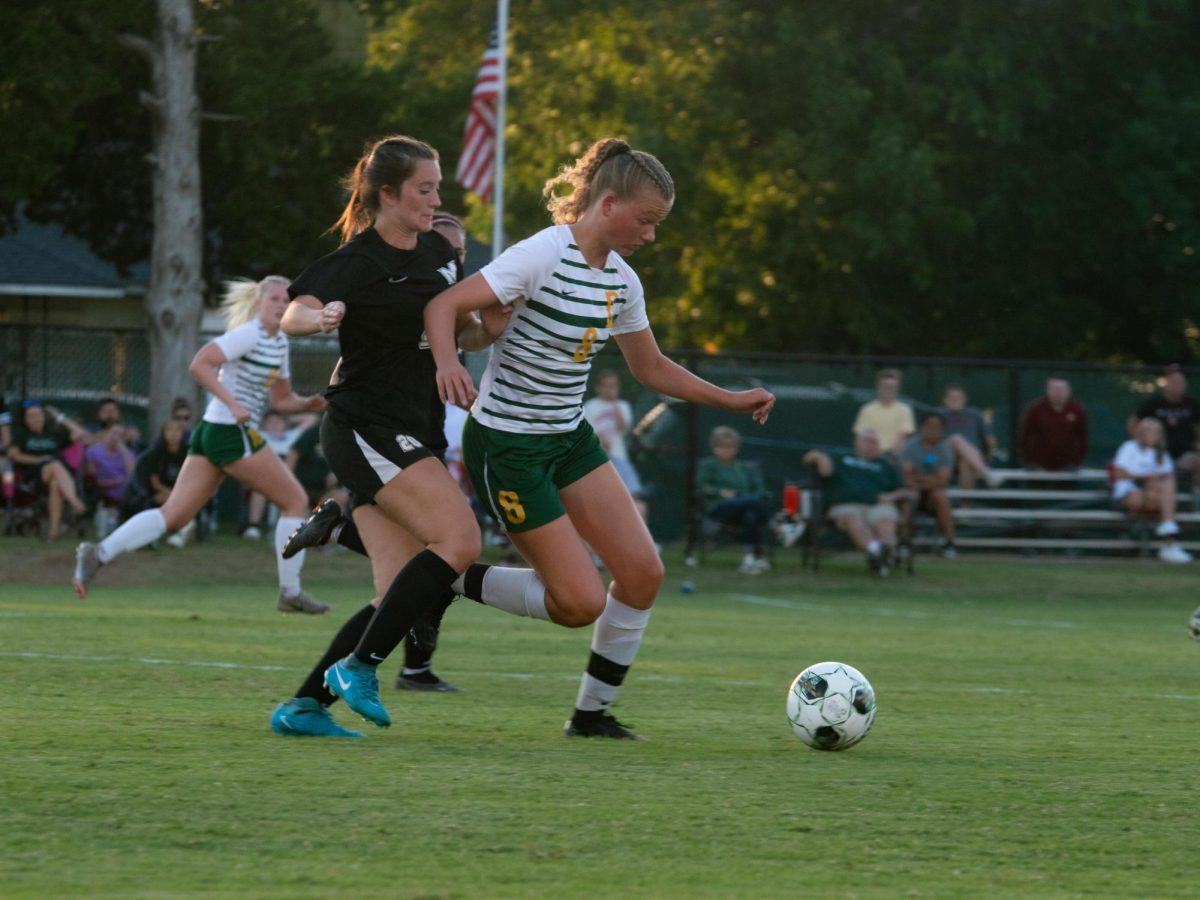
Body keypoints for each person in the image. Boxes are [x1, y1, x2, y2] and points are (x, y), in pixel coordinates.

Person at [424, 137, 775, 740]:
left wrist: (730, 399)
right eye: (646, 221)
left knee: (643, 574)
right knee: (579, 604)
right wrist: (447, 364)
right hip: (509, 446)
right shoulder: (539, 254)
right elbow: (446, 303)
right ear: (607, 204)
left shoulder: (622, 282)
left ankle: (590, 716)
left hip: (569, 439)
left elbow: (651, 368)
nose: (651, 235)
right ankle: (442, 577)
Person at [268, 134, 508, 737]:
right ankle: (359, 667)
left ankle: (302, 708)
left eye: (437, 189)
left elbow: (456, 336)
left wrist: (492, 327)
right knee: (459, 538)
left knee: (393, 596)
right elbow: (295, 312)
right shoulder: (357, 259)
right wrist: (319, 317)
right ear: (387, 194)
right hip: (363, 425)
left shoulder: (438, 253)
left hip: (414, 430)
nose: (435, 201)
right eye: (424, 190)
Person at [72, 276, 331, 614]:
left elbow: (280, 399)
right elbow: (200, 364)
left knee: (174, 518)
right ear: (258, 303)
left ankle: (99, 553)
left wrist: (308, 404)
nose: (281, 306)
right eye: (275, 300)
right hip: (227, 431)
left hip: (214, 431)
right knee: (295, 501)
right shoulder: (249, 334)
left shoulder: (279, 342)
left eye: (287, 301)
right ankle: (290, 592)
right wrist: (234, 403)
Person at [802, 429, 906, 576]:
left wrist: (892, 497)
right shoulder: (841, 458)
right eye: (867, 441)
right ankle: (878, 551)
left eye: (874, 442)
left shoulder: (885, 465)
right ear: (856, 443)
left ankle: (883, 558)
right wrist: (818, 456)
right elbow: (810, 459)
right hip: (845, 505)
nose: (871, 445)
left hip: (877, 505)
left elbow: (904, 490)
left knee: (886, 520)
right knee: (851, 518)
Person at [1111, 417, 1191, 563]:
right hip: (1130, 494)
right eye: (1148, 432)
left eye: (1155, 433)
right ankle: (1169, 538)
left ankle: (1168, 529)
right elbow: (1119, 473)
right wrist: (1147, 477)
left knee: (1166, 483)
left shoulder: (1162, 455)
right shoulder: (1129, 447)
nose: (1151, 435)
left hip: (1153, 496)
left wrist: (1152, 483)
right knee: (1159, 491)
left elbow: (1167, 478)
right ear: (1140, 433)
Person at [6, 399, 89, 540]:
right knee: (54, 463)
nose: (35, 419)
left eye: (38, 415)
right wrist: (40, 460)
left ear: (44, 416)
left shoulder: (54, 433)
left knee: (56, 483)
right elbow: (14, 455)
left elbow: (81, 434)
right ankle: (74, 501)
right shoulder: (22, 434)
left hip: (59, 475)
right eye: (31, 416)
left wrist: (59, 417)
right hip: (34, 475)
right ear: (25, 420)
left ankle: (53, 532)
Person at [696, 425, 772, 574]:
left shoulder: (743, 468)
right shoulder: (709, 465)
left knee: (750, 514)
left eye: (730, 446)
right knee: (749, 502)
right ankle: (777, 525)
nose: (726, 450)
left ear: (736, 448)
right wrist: (719, 491)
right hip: (719, 508)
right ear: (714, 447)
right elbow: (702, 486)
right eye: (721, 446)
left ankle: (748, 559)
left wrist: (745, 497)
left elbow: (760, 489)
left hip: (743, 509)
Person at [583, 369, 649, 524]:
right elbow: (586, 434)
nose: (609, 389)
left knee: (635, 500)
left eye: (613, 386)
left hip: (619, 459)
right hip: (595, 460)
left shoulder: (623, 406)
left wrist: (613, 404)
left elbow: (623, 426)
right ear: (598, 387)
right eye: (606, 386)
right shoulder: (590, 406)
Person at [242, 411, 314, 540]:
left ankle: (303, 531)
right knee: (260, 488)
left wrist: (287, 419)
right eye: (270, 422)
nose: (274, 425)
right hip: (264, 475)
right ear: (264, 424)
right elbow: (244, 424)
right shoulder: (259, 435)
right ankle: (253, 526)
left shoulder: (291, 435)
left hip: (288, 476)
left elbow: (311, 418)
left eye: (278, 422)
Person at [897, 413, 958, 558]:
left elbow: (943, 480)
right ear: (921, 428)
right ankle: (904, 542)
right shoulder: (910, 447)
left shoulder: (945, 450)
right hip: (913, 492)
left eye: (937, 427)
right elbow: (906, 477)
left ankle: (950, 543)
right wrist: (930, 479)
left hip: (932, 497)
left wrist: (922, 479)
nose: (932, 430)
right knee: (910, 496)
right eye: (929, 426)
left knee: (941, 497)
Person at [1133, 364, 1199, 488]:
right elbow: (1134, 422)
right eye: (1173, 381)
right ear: (1166, 382)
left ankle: (1195, 501)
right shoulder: (1152, 404)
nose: (1177, 384)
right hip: (1157, 456)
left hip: (1184, 456)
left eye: (1180, 381)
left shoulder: (1192, 404)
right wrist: (1140, 444)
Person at [1019, 375, 1088, 471]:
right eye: (1054, 389)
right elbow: (1025, 437)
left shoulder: (1077, 410)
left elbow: (1083, 439)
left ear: (1069, 391)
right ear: (1047, 390)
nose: (1058, 393)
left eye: (1061, 389)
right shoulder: (1035, 409)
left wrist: (1077, 463)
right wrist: (1028, 461)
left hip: (1068, 468)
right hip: (1039, 468)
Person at [940, 385, 1000, 489]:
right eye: (952, 398)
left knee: (966, 462)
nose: (955, 401)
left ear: (965, 399)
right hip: (941, 456)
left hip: (971, 456)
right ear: (945, 400)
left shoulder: (976, 414)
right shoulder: (937, 415)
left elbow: (989, 438)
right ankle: (987, 474)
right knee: (956, 439)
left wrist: (989, 458)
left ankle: (965, 505)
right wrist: (929, 459)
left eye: (958, 398)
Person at [83, 423, 136, 539]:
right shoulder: (94, 451)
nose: (115, 437)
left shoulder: (128, 454)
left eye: (120, 435)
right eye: (113, 433)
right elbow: (91, 477)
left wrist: (122, 450)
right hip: (102, 489)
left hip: (124, 492)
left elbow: (132, 473)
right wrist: (112, 483)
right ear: (107, 434)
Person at [853, 368, 915, 456]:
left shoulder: (904, 410)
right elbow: (860, 436)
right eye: (885, 387)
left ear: (897, 388)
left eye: (892, 387)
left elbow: (903, 437)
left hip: (893, 458)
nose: (888, 390)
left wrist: (890, 456)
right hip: (870, 457)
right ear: (879, 387)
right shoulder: (867, 409)